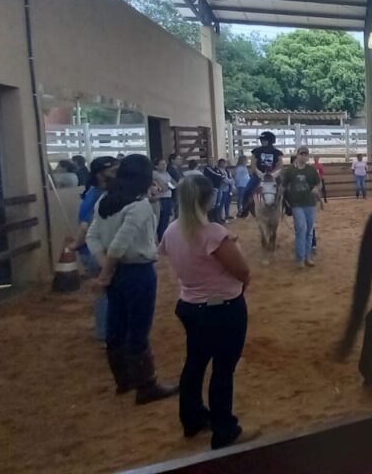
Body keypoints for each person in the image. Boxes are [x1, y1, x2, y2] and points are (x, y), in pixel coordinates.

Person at [159, 175, 254, 449]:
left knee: (195, 362)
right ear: (208, 199)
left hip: (190, 305)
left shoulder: (172, 230)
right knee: (223, 368)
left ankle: (192, 418)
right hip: (223, 307)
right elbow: (242, 270)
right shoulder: (213, 233)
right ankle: (225, 430)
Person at [86, 154, 177, 405]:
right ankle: (146, 385)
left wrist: (106, 268)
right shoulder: (139, 205)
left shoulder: (106, 200)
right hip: (137, 271)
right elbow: (120, 244)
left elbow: (92, 236)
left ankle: (123, 380)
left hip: (116, 272)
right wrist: (105, 273)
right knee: (138, 328)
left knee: (116, 324)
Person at [70, 156, 118, 340]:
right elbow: (85, 226)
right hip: (96, 251)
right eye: (112, 171)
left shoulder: (97, 192)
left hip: (96, 249)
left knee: (106, 292)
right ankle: (104, 333)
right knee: (105, 292)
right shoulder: (98, 195)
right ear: (100, 174)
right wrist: (76, 243)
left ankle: (106, 331)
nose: (117, 174)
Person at [282, 146, 321, 268]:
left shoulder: (311, 170)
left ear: (308, 156)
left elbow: (318, 184)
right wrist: (279, 198)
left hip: (310, 204)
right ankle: (300, 258)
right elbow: (283, 186)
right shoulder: (290, 170)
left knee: (309, 231)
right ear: (297, 155)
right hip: (296, 204)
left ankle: (307, 257)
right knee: (301, 229)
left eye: (305, 154)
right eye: (301, 154)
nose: (303, 156)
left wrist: (316, 189)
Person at [239, 131, 283, 218]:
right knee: (247, 189)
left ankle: (288, 207)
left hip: (273, 175)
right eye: (262, 140)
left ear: (270, 141)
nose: (262, 142)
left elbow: (280, 165)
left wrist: (272, 174)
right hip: (259, 175)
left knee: (284, 188)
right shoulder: (256, 151)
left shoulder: (277, 152)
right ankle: (244, 208)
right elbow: (253, 164)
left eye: (264, 140)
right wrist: (259, 173)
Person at [152, 158, 176, 241]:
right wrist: (168, 186)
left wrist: (168, 186)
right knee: (161, 221)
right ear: (156, 166)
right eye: (162, 164)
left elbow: (174, 184)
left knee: (167, 220)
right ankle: (161, 239)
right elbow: (163, 187)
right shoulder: (154, 174)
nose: (165, 166)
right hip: (161, 199)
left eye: (165, 164)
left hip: (168, 197)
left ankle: (165, 238)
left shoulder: (166, 173)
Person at [203, 159, 230, 224]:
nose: (212, 162)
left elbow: (219, 175)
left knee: (218, 204)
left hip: (218, 188)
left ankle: (218, 218)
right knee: (212, 204)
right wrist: (222, 176)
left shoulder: (216, 169)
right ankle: (212, 219)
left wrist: (221, 176)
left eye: (213, 161)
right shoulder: (207, 169)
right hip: (213, 188)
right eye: (210, 161)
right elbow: (215, 175)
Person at [167, 154, 185, 219]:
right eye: (178, 159)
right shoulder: (170, 170)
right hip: (174, 195)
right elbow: (169, 183)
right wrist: (175, 185)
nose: (180, 160)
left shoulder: (178, 170)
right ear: (172, 160)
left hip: (180, 194)